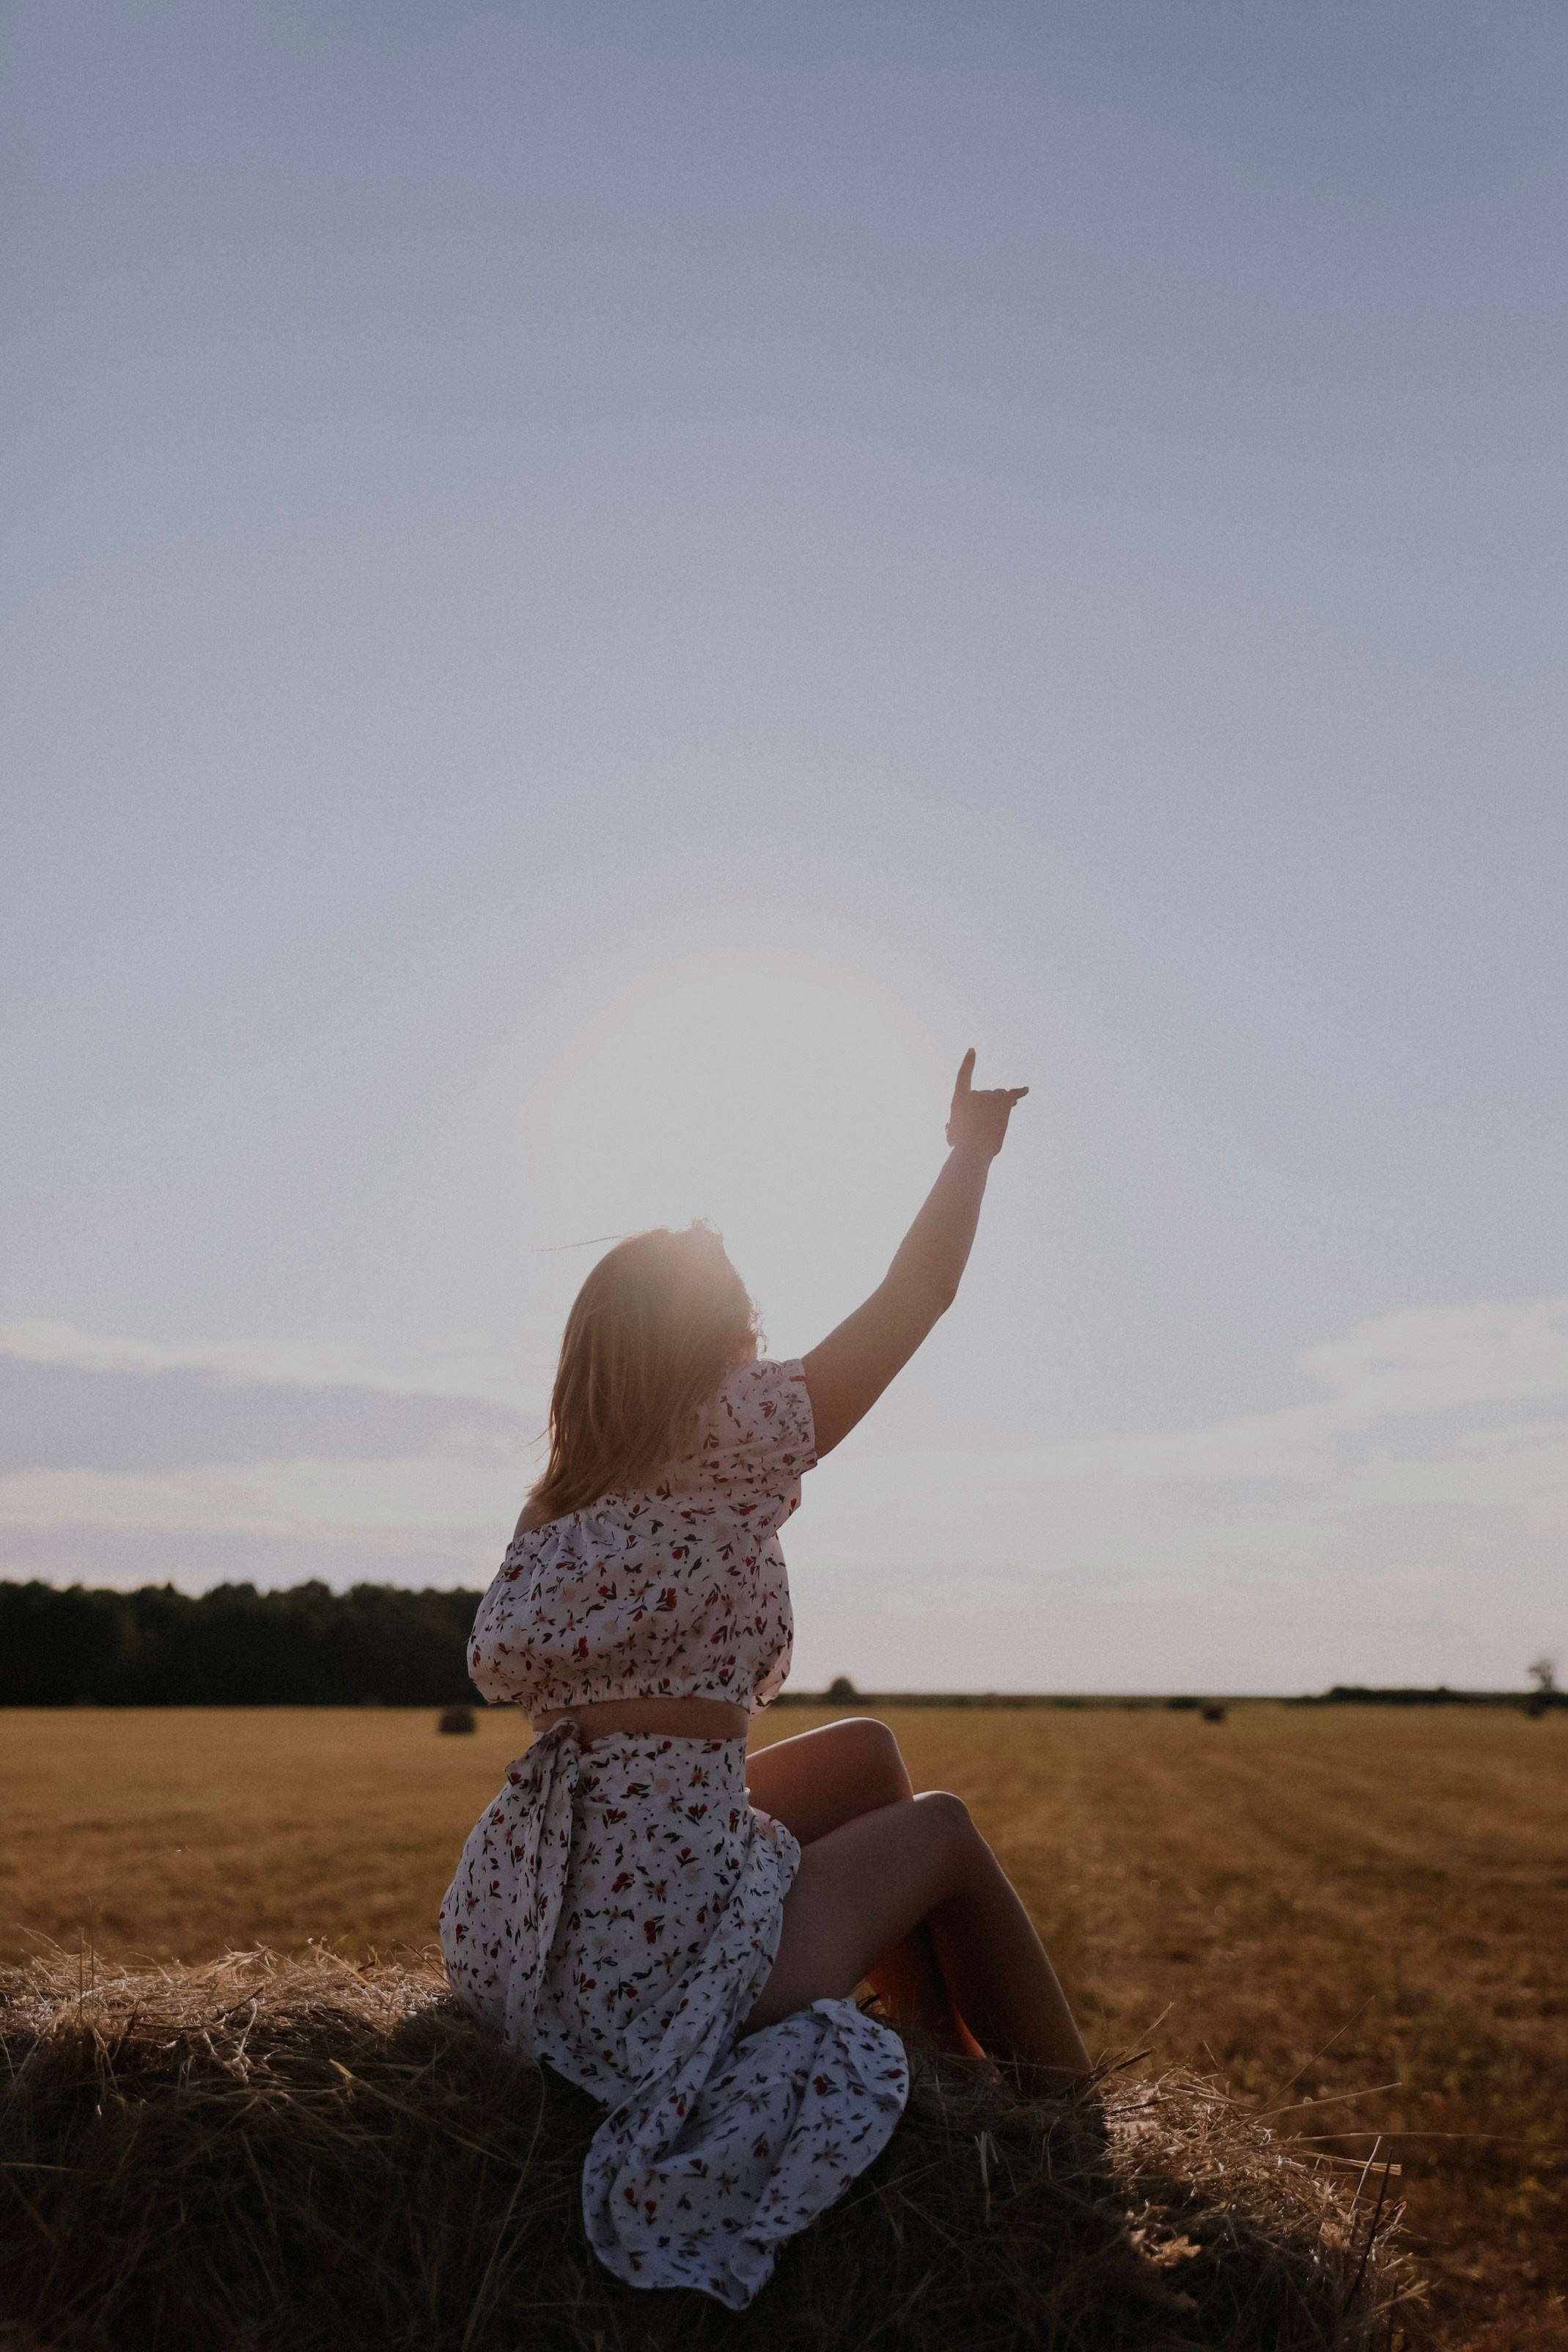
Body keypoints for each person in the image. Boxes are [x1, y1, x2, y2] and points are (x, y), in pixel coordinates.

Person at [439, 1051, 1091, 2308]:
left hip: (534, 1895)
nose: (759, 1334)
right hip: (650, 1949)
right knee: (942, 1833)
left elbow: (495, 1657)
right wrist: (970, 1153)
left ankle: (938, 2062)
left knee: (863, 1754)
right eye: (741, 1313)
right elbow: (918, 1294)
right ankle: (1080, 2155)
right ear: (709, 1341)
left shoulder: (559, 1496)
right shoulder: (730, 1425)